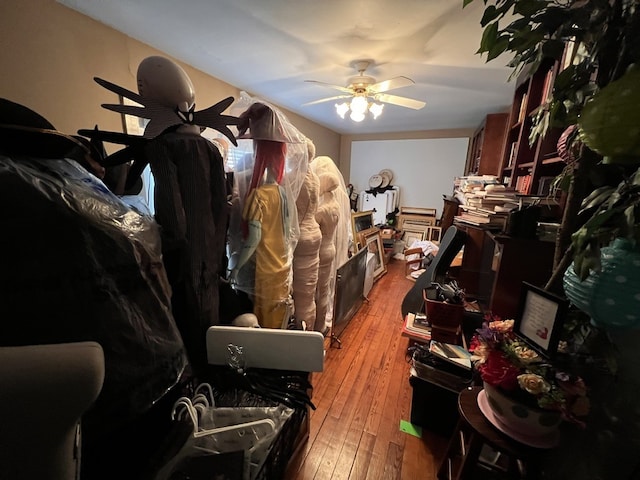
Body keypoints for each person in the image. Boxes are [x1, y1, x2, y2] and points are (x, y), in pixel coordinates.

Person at [291, 138, 321, 329]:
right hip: (314, 232)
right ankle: (312, 328)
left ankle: (302, 334)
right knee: (309, 290)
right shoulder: (316, 178)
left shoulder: (294, 177)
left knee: (300, 291)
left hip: (300, 235)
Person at [314, 171, 341, 334]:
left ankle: (315, 327)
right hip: (331, 248)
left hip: (321, 251)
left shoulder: (322, 210)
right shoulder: (336, 205)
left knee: (316, 291)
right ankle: (321, 325)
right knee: (324, 289)